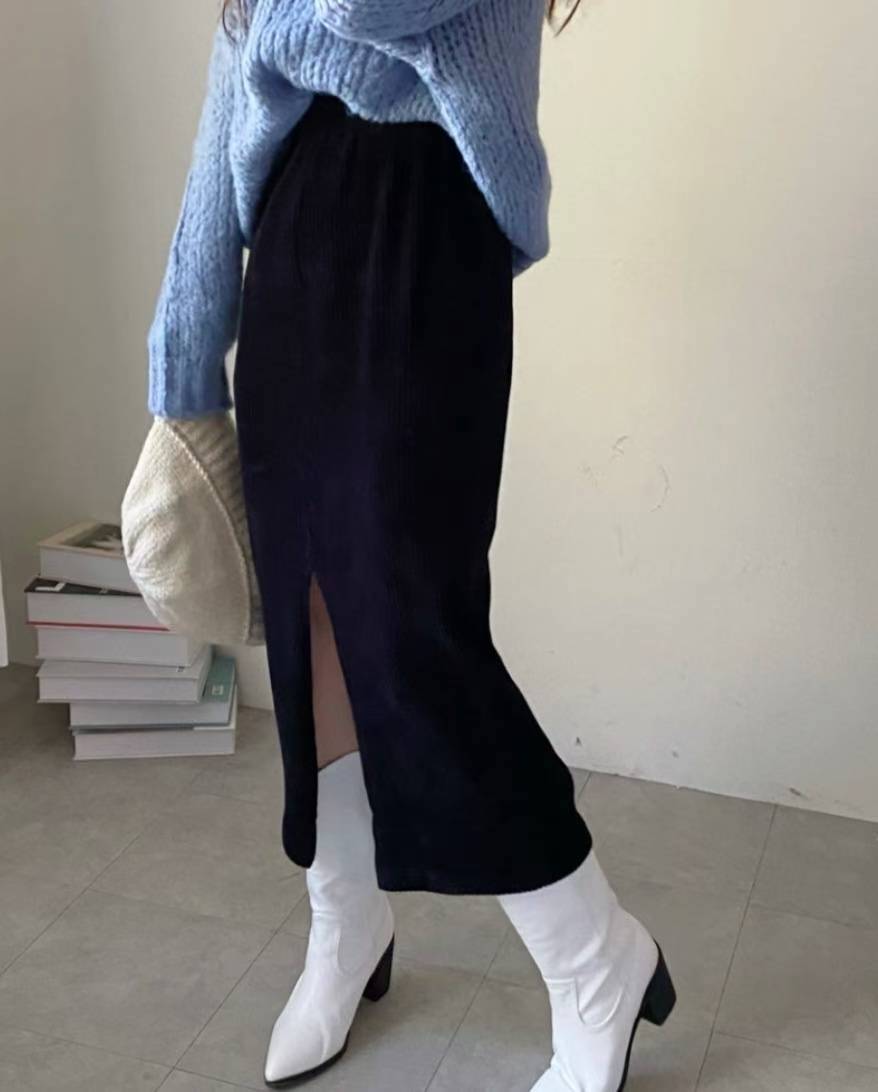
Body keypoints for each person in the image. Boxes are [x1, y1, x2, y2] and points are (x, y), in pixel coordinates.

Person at [146, 0, 676, 1088]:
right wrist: (182, 359)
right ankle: (345, 923)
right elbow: (232, 89)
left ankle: (595, 959)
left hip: (424, 235)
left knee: (408, 629)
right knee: (309, 615)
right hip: (291, 240)